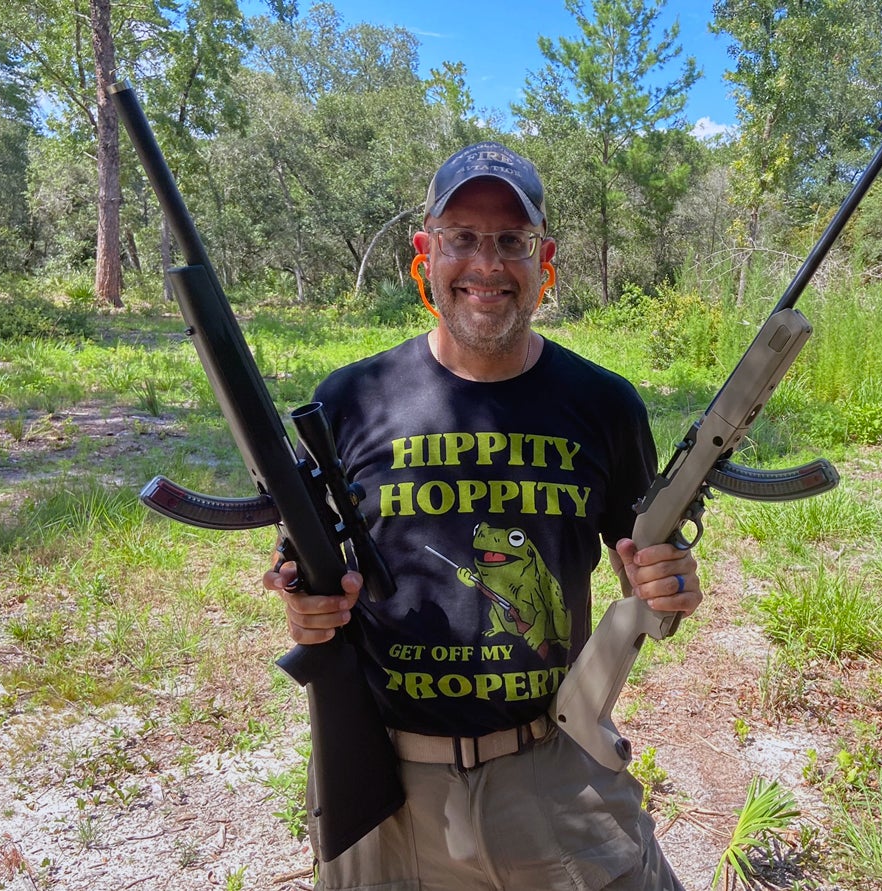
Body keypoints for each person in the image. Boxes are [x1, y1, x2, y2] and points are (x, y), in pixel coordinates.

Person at [264, 141, 702, 891]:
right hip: (383, 785)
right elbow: (306, 574)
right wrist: (304, 607)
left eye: (512, 241)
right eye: (462, 237)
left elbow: (646, 568)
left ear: (546, 257)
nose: (487, 266)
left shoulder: (604, 404)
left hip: (553, 770)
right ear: (426, 249)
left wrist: (668, 587)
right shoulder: (348, 401)